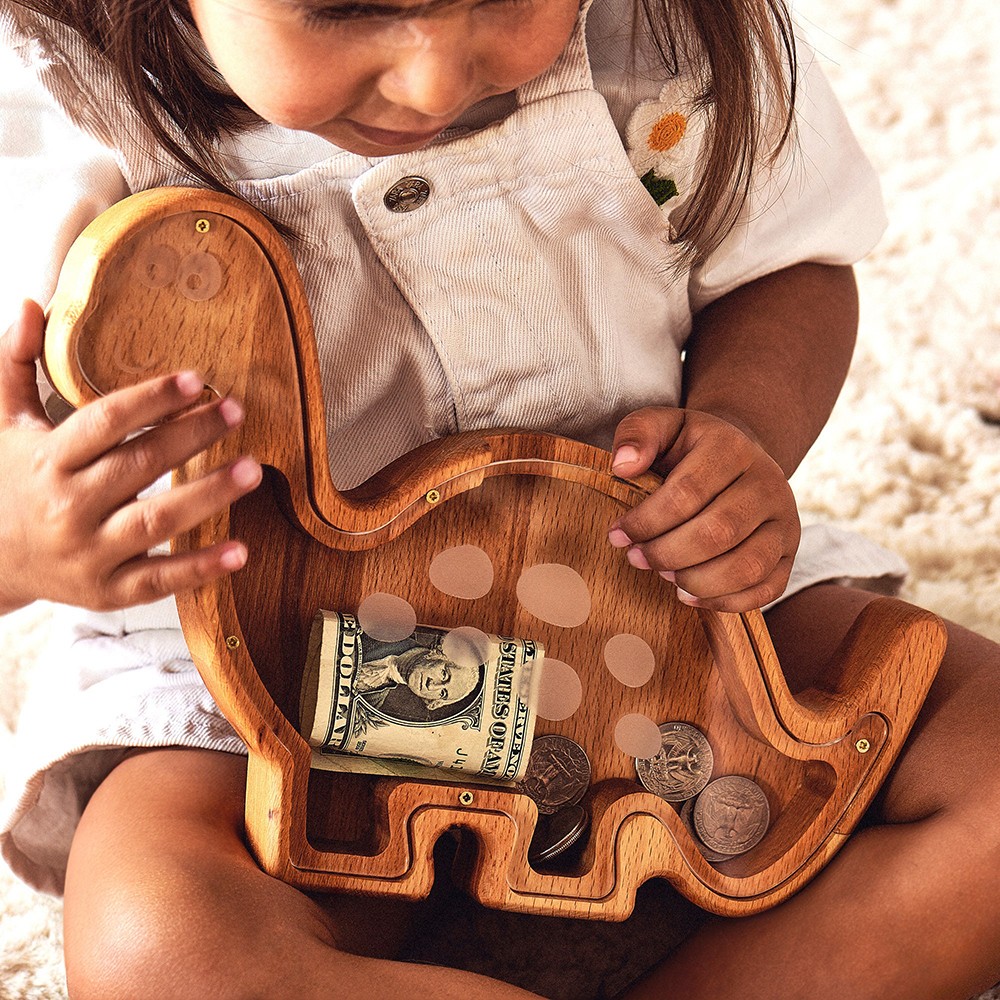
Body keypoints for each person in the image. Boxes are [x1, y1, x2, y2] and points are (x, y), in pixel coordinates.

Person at [0, 0, 998, 997]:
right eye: (346, 10)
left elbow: (787, 265)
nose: (435, 80)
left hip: (656, 601)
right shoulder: (53, 130)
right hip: (262, 680)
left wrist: (741, 432)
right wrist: (20, 541)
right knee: (155, 951)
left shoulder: (671, 35)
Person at [356, 642, 483, 718]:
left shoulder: (372, 705)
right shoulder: (388, 630)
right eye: (444, 674)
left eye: (442, 693)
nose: (432, 686)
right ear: (439, 654)